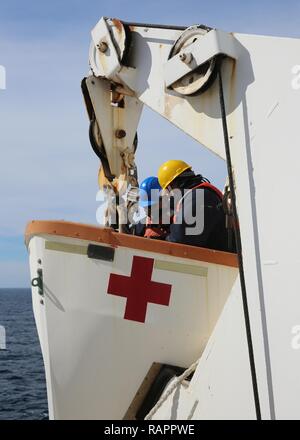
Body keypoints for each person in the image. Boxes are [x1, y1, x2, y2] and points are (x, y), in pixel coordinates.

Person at [157, 160, 231, 251]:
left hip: (220, 261)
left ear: (173, 185)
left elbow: (180, 239)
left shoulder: (199, 197)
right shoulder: (200, 195)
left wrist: (160, 242)